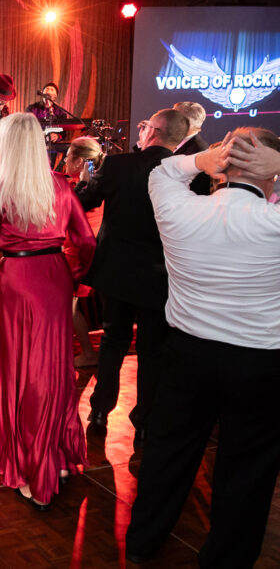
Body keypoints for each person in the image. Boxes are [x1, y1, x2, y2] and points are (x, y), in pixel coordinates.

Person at [125, 129, 280, 566]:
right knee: (246, 467)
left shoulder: (179, 207)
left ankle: (142, 541)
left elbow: (161, 171)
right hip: (259, 364)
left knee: (167, 451)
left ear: (221, 165)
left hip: (187, 354)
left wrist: (200, 160)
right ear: (269, 174)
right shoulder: (273, 222)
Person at [0, 113, 95, 509]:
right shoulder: (59, 186)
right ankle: (58, 455)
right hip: (54, 278)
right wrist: (73, 274)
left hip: (18, 280)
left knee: (23, 371)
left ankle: (33, 466)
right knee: (52, 367)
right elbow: (86, 241)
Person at [76, 108, 189, 448]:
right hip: (160, 277)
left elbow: (84, 201)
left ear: (153, 132)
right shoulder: (186, 174)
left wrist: (85, 179)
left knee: (113, 341)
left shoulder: (119, 165)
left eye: (143, 127)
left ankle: (99, 411)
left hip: (117, 274)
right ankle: (143, 420)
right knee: (152, 350)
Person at [61, 137, 105, 368]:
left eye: (68, 156)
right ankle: (83, 351)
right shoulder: (97, 184)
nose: (64, 160)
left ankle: (86, 353)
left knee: (67, 306)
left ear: (79, 162)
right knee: (69, 306)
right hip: (83, 250)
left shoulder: (82, 189)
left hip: (77, 253)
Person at [171, 101, 211, 195]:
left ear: (187, 122)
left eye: (173, 117)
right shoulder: (178, 144)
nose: (169, 120)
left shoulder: (198, 151)